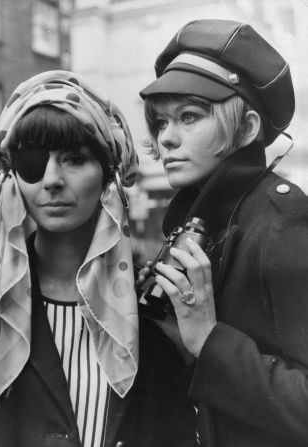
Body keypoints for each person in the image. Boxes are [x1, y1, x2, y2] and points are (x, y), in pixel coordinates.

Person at [0, 71, 196, 447]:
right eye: (33, 161)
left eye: (74, 159)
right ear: (12, 175)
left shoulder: (151, 304)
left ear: (108, 174)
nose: (51, 179)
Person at [138, 19, 308, 447]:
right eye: (161, 123)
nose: (166, 140)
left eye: (189, 117)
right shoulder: (202, 223)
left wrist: (209, 339)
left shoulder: (282, 224)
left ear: (247, 128)